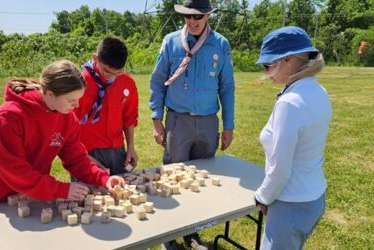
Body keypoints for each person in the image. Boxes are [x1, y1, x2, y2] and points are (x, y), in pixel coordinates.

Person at [0, 60, 124, 202]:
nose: (77, 105)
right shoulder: (8, 117)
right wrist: (60, 189)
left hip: (31, 194)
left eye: (78, 99)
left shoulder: (67, 117)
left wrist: (103, 179)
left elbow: (76, 158)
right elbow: (13, 169)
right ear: (49, 94)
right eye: (71, 100)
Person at [149, 0, 235, 249]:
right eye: (187, 17)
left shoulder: (220, 44)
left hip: (208, 123)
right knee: (174, 178)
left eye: (197, 17)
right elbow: (157, 82)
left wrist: (228, 126)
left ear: (208, 15)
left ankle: (193, 233)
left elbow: (227, 87)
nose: (191, 22)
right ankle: (169, 235)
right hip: (178, 121)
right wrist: (157, 120)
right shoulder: (171, 41)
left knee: (202, 181)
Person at [254, 26, 332, 249]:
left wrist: (262, 197)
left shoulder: (290, 103)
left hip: (291, 203)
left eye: (268, 65)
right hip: (314, 197)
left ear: (287, 60)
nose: (266, 71)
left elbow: (280, 169)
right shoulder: (319, 91)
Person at [75, 37, 139, 175]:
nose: (111, 77)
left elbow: (129, 118)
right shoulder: (79, 84)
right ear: (95, 58)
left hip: (117, 150)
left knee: (122, 191)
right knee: (90, 194)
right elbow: (67, 126)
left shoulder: (127, 82)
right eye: (106, 72)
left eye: (118, 72)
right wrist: (83, 157)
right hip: (87, 151)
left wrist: (131, 148)